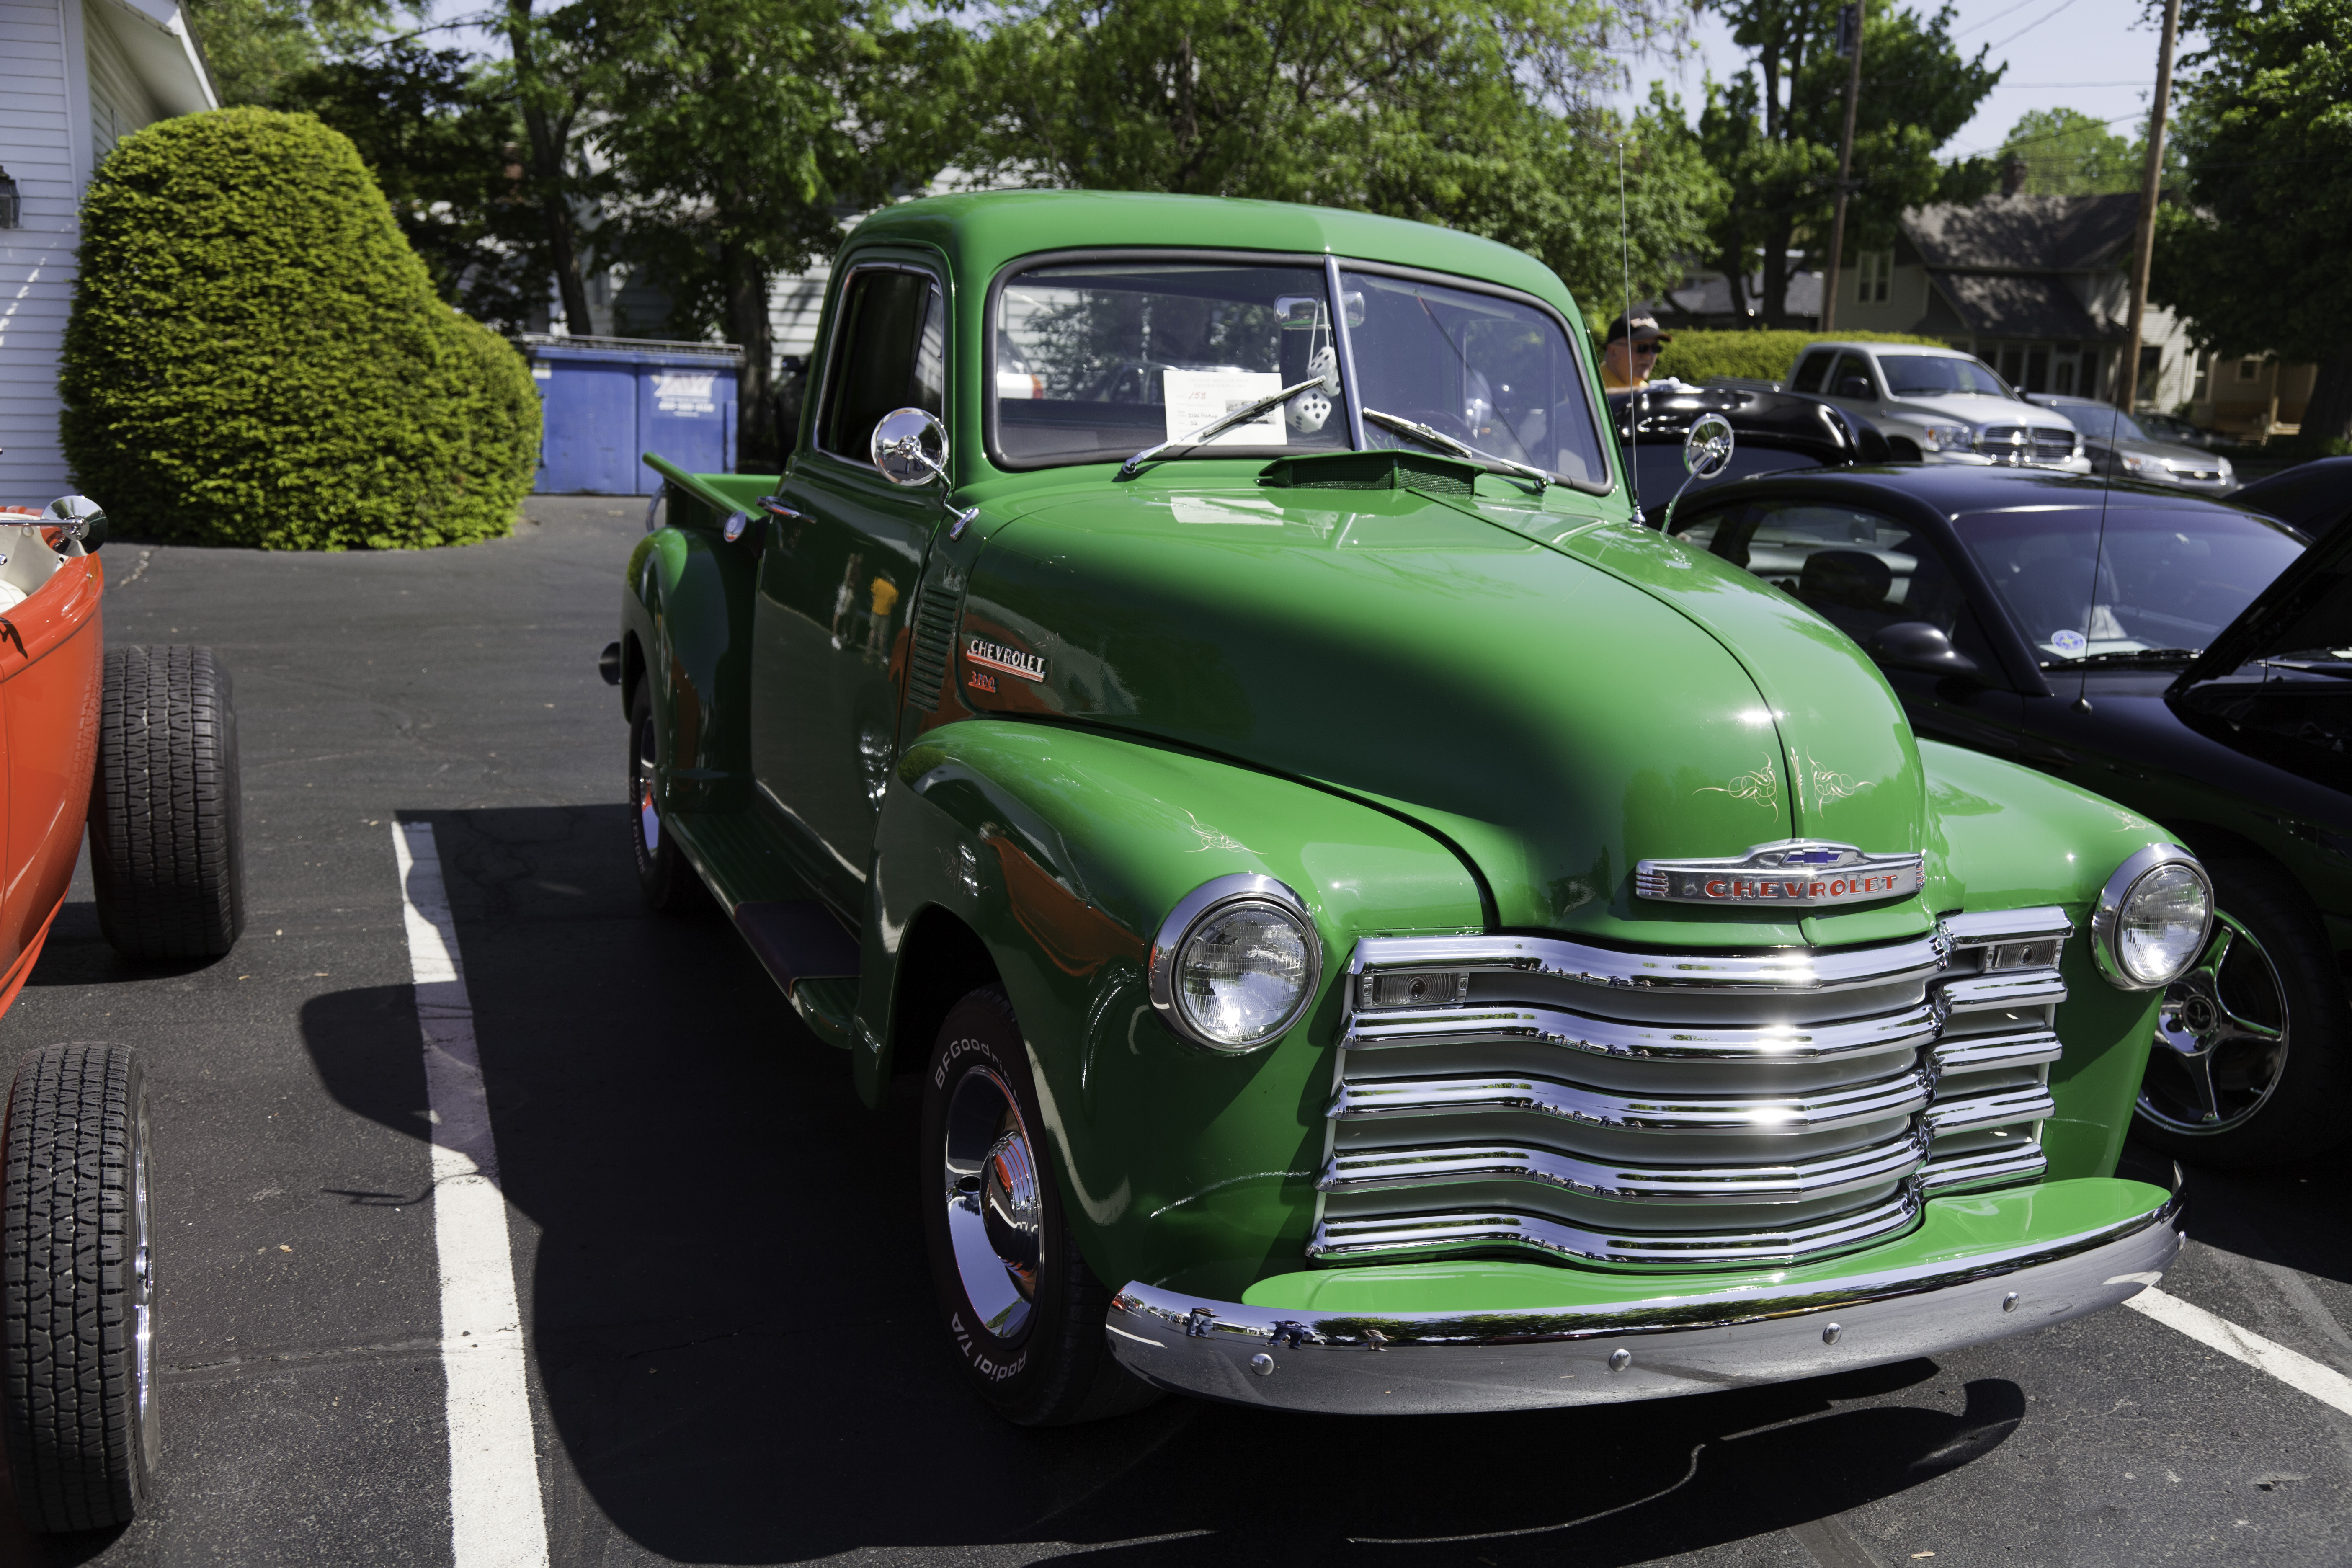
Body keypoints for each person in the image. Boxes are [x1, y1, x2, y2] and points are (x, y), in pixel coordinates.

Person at [1600, 312, 1671, 391]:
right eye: (1642, 347)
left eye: (1656, 348)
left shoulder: (1646, 390)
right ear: (1614, 352)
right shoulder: (1590, 386)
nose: (1650, 355)